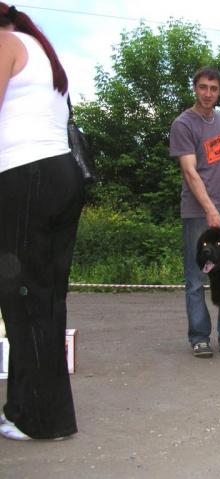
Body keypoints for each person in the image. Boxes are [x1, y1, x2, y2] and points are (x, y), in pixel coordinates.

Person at [0, 4, 84, 440]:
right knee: (43, 300)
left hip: (25, 177)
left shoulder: (5, 43)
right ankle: (25, 410)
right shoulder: (41, 50)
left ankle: (39, 419)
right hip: (60, 177)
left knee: (23, 300)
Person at [170, 66, 220, 358]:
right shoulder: (183, 124)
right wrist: (209, 209)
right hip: (198, 211)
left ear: (219, 91)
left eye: (213, 89)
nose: (208, 94)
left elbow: (219, 154)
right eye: (203, 87)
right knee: (196, 278)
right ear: (194, 88)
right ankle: (200, 337)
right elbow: (190, 171)